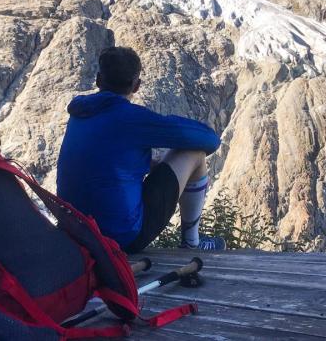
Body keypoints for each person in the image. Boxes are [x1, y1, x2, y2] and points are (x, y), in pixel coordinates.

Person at [56, 46, 225, 252]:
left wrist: (148, 161)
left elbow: (105, 160)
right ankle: (192, 243)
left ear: (99, 80)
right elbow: (209, 140)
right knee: (194, 154)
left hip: (75, 232)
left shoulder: (79, 113)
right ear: (137, 86)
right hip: (119, 238)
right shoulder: (134, 119)